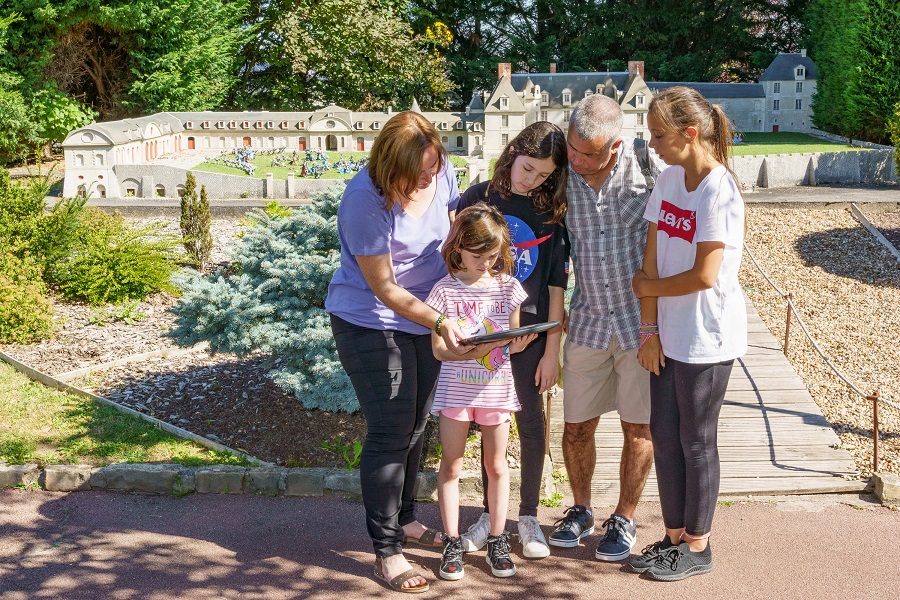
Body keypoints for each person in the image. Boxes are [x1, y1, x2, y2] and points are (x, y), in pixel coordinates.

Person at [325, 111, 469, 594]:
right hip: (370, 321)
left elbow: (455, 228)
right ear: (392, 167)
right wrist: (440, 321)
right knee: (390, 430)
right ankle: (387, 551)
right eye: (419, 172)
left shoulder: (441, 170)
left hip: (427, 314)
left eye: (434, 166)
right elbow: (385, 289)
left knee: (417, 424)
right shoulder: (364, 200)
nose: (430, 177)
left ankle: (405, 519)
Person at [629, 86, 747, 581]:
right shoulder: (669, 179)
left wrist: (647, 288)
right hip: (667, 333)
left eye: (659, 136)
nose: (652, 144)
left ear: (690, 134)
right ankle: (674, 538)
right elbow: (652, 257)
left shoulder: (720, 190)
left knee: (696, 440)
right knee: (664, 434)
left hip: (707, 336)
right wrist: (649, 327)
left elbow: (704, 275)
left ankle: (698, 545)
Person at [549, 94, 664, 561]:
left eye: (588, 154)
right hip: (589, 321)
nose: (576, 160)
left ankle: (624, 516)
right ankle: (580, 509)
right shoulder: (563, 172)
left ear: (615, 146)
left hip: (640, 325)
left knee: (639, 427)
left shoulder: (649, 166)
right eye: (572, 149)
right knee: (577, 425)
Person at [456, 122, 569, 559]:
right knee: (490, 424)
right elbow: (456, 267)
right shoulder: (477, 198)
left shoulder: (550, 211)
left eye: (544, 175)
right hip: (483, 336)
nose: (532, 180)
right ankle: (490, 516)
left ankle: (529, 516)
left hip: (531, 337)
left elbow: (556, 286)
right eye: (527, 168)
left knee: (531, 423)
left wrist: (552, 350)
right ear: (513, 152)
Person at [424, 203, 536, 581]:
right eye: (477, 257)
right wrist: (473, 351)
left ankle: (497, 540)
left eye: (492, 256)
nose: (486, 264)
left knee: (497, 466)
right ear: (458, 248)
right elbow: (438, 350)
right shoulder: (443, 291)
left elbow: (511, 343)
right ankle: (452, 541)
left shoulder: (508, 288)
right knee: (451, 466)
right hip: (455, 391)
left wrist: (521, 341)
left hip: (496, 391)